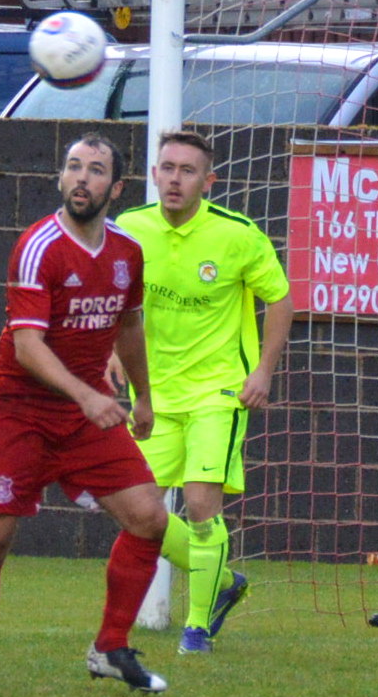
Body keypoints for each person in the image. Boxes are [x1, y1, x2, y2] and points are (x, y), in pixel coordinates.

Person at [0, 134, 171, 697]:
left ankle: (111, 647)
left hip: (82, 417)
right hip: (18, 412)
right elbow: (27, 346)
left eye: (95, 170)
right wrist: (88, 396)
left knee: (149, 517)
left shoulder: (127, 252)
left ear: (116, 188)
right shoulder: (38, 246)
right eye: (73, 167)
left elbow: (128, 326)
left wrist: (143, 396)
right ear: (60, 177)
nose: (81, 178)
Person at [116, 130, 292, 654]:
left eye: (187, 171)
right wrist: (110, 356)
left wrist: (262, 372)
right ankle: (222, 580)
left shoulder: (237, 235)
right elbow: (115, 301)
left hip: (219, 391)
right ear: (154, 175)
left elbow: (280, 299)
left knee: (198, 504)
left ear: (208, 181)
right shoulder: (129, 229)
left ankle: (196, 628)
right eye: (167, 168)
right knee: (138, 511)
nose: (175, 179)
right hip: (154, 395)